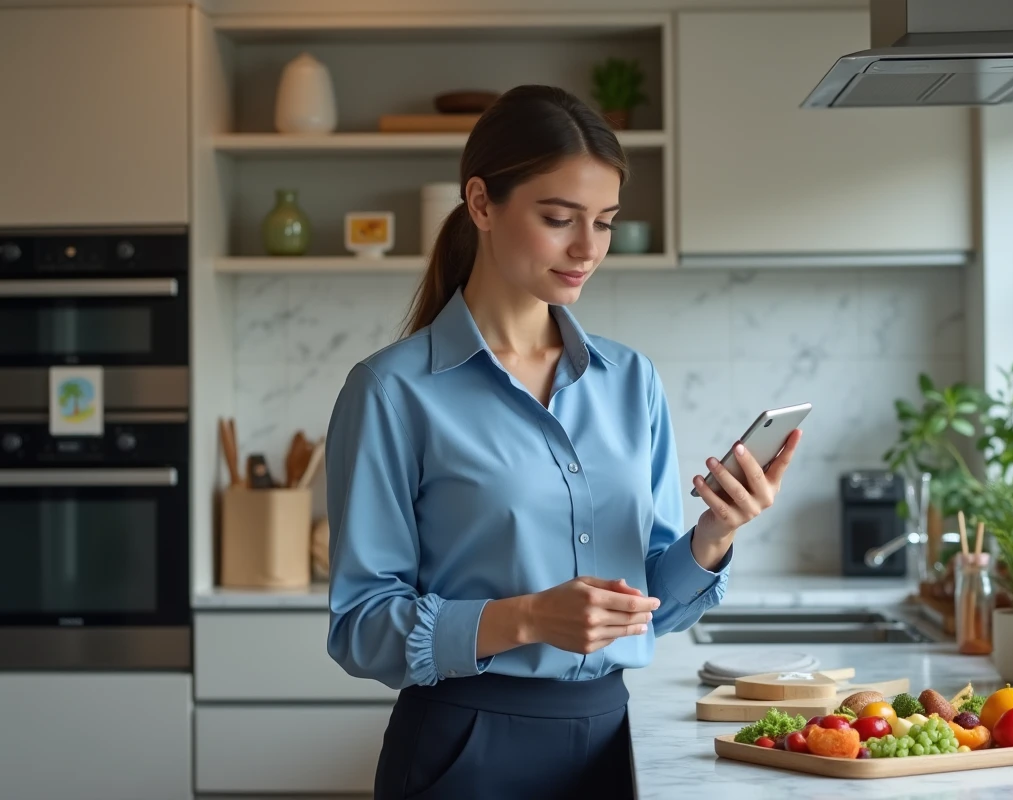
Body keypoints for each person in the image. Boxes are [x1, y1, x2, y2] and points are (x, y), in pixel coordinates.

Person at [324, 84, 802, 800]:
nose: (588, 248)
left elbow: (652, 607)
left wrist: (713, 535)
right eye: (558, 218)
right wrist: (528, 618)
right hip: (462, 749)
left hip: (608, 740)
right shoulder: (393, 392)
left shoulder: (629, 380)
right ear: (482, 204)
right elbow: (360, 627)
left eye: (605, 222)